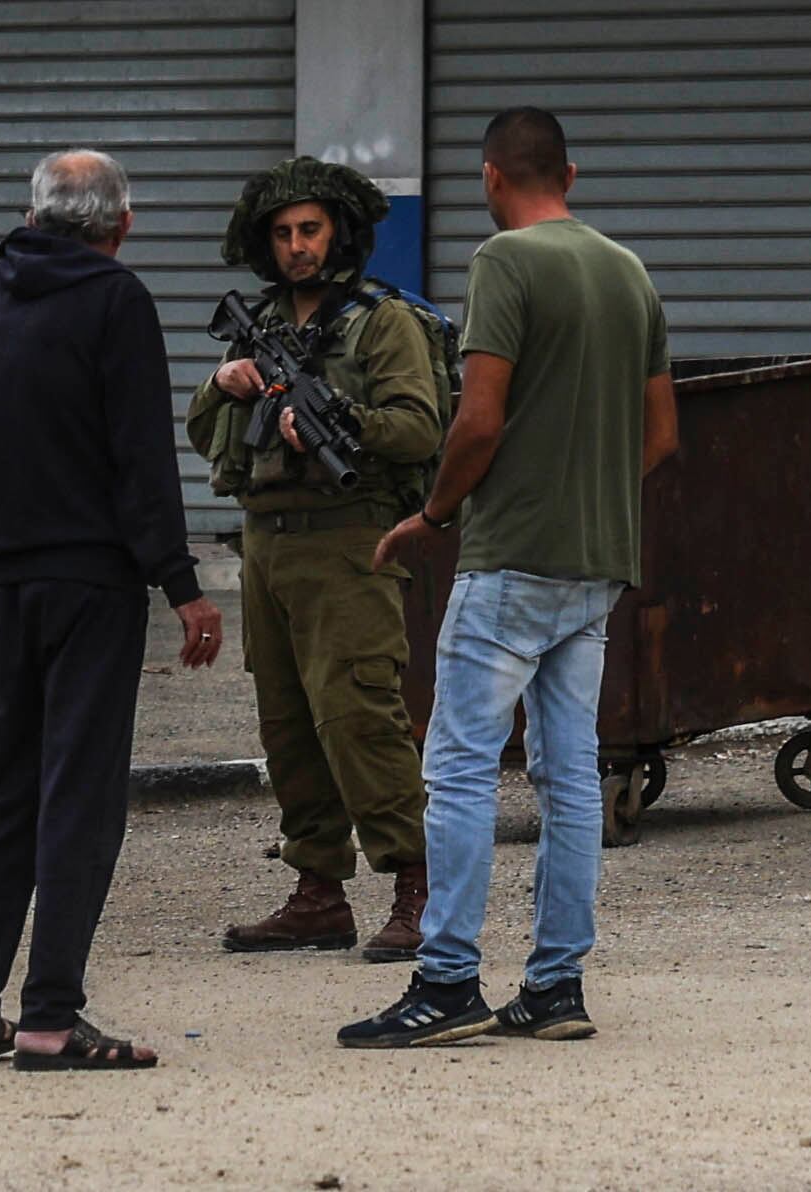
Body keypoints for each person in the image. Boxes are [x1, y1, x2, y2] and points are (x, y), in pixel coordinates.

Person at [338, 108, 678, 1049]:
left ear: (491, 178)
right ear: (569, 171)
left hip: (510, 558)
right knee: (569, 776)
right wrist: (585, 495)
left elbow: (477, 420)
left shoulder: (504, 264)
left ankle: (446, 980)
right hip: (596, 562)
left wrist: (433, 516)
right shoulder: (628, 271)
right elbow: (660, 436)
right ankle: (555, 985)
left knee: (455, 768)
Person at [0, 149, 223, 1071]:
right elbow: (140, 457)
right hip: (91, 585)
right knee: (79, 799)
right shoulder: (115, 300)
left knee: (4, 793)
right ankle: (49, 1018)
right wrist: (181, 583)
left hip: (2, 584)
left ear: (32, 213)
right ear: (121, 225)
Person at [186, 157, 443, 962]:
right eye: (284, 233)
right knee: (288, 723)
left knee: (360, 716)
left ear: (340, 234)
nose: (297, 247)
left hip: (347, 538)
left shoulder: (381, 322)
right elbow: (202, 430)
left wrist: (342, 420)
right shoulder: (260, 321)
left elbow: (419, 428)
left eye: (311, 231)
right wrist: (225, 384)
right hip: (266, 542)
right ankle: (318, 893)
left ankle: (415, 888)